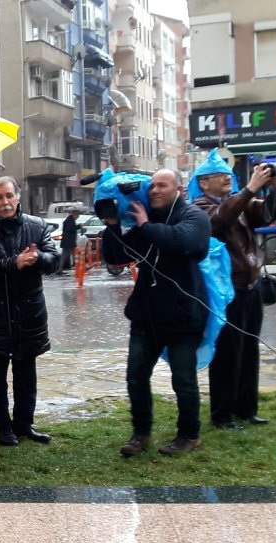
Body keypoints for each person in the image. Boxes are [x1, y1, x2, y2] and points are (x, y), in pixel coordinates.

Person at [102, 168, 212, 458]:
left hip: (183, 315)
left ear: (179, 190)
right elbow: (117, 257)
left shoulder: (194, 216)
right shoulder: (146, 221)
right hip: (147, 314)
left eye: (162, 185)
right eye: (151, 186)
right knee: (136, 376)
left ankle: (189, 435)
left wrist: (146, 225)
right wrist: (113, 225)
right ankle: (141, 433)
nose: (154, 191)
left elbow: (184, 241)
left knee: (183, 379)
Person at [191, 159, 276, 430]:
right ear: (203, 183)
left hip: (251, 287)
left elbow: (268, 214)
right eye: (219, 175)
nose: (227, 178)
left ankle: (247, 408)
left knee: (249, 351)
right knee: (227, 354)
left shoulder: (238, 201)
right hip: (226, 291)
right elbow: (220, 220)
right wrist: (250, 190)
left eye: (228, 174)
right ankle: (222, 414)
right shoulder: (200, 207)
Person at [0, 177, 60, 447]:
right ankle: (2, 427)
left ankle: (24, 423)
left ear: (18, 197)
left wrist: (38, 258)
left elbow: (54, 260)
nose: (5, 202)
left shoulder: (37, 226)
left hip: (27, 314)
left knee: (26, 375)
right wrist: (14, 262)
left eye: (9, 196)